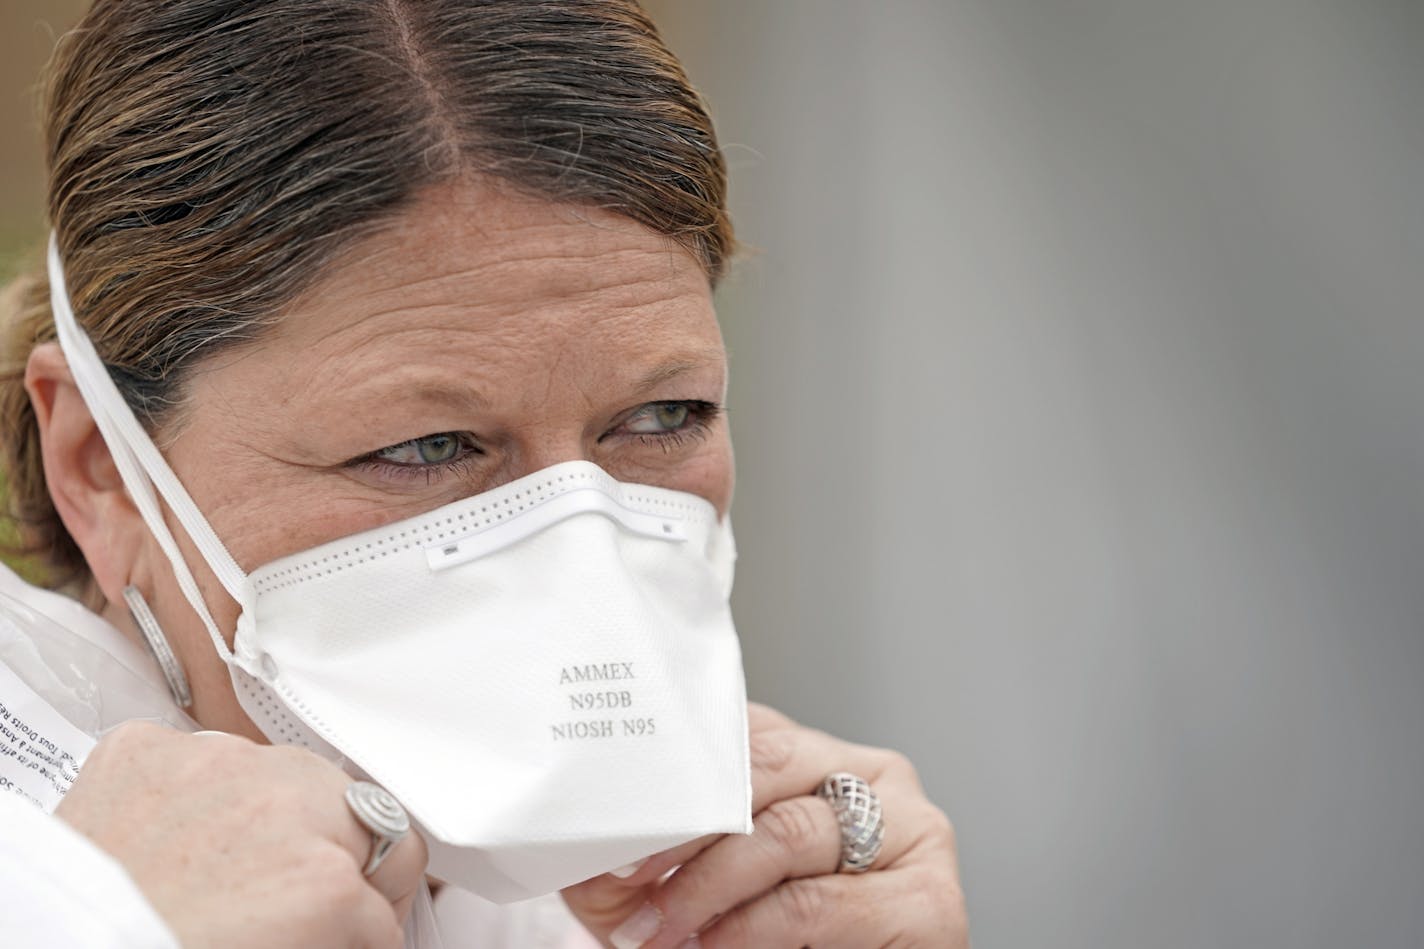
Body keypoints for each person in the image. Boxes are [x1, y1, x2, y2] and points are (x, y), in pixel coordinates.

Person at [0, 1, 968, 946]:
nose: (574, 545)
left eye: (662, 417)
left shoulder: (667, 897)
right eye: (426, 445)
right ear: (102, 466)